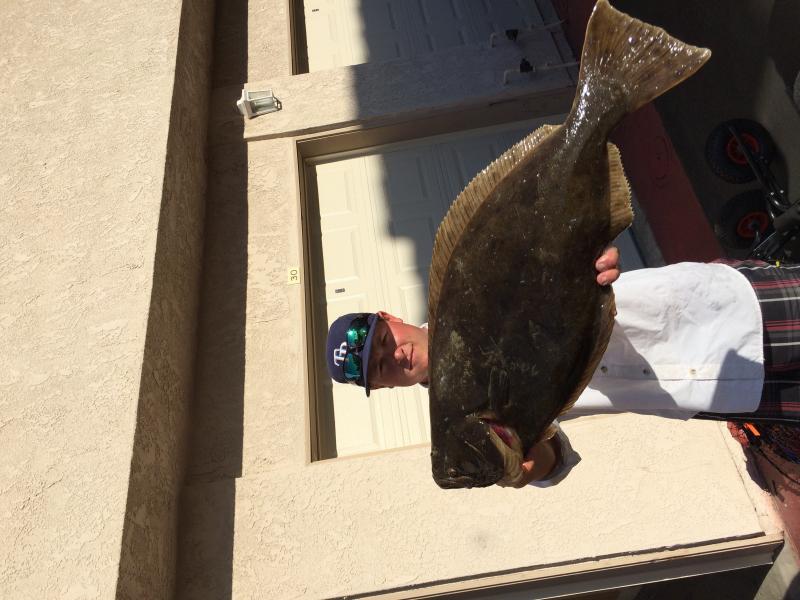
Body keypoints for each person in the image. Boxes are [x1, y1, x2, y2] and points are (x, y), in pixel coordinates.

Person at [325, 247, 800, 486]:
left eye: (386, 342)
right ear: (384, 388)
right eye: (381, 369)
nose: (396, 357)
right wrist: (531, 467)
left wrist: (592, 259)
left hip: (720, 311)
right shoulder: (463, 421)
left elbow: (560, 253)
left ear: (391, 318)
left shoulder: (468, 293)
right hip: (711, 393)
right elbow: (553, 454)